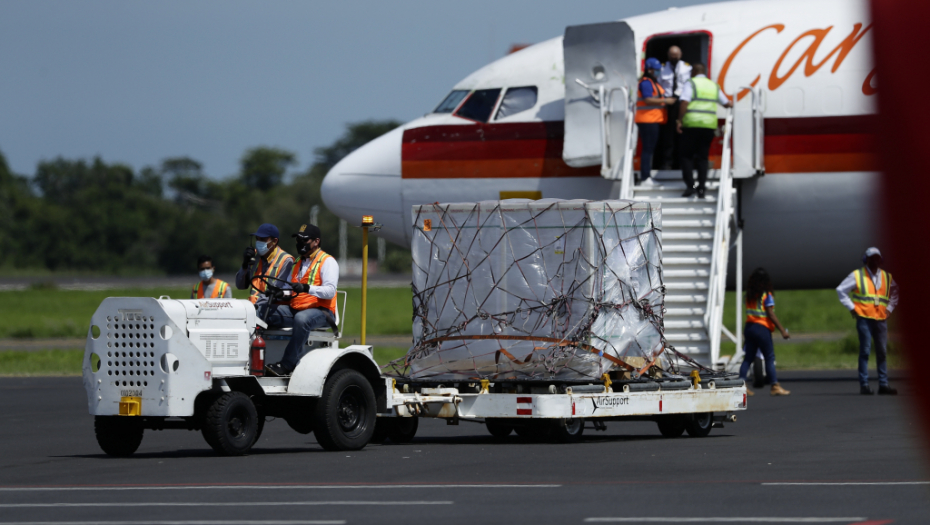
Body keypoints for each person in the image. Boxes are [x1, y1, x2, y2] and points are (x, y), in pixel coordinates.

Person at [264, 224, 340, 377]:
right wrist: (279, 292)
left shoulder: (327, 261)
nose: (300, 243)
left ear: (316, 241)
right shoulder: (297, 262)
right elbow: (291, 289)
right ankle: (252, 360)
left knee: (301, 319)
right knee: (262, 311)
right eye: (298, 240)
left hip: (322, 312)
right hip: (296, 309)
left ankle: (287, 364)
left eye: (304, 240)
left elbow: (330, 291)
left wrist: (306, 288)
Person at [836, 247, 900, 395]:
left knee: (882, 352)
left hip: (881, 319)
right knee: (865, 351)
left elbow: (895, 292)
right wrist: (852, 308)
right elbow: (841, 290)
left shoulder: (887, 277)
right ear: (866, 260)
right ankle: (864, 385)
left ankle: (883, 385)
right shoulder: (857, 275)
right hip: (864, 318)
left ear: (881, 260)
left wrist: (889, 309)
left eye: (877, 258)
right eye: (872, 258)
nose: (875, 261)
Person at [676, 63, 732, 198]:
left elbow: (684, 102)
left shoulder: (691, 83)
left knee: (686, 156)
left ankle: (690, 186)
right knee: (703, 157)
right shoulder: (713, 85)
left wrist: (679, 120)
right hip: (708, 126)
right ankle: (701, 188)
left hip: (692, 124)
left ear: (694, 71)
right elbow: (727, 103)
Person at [739, 268, 791, 396]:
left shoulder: (749, 295)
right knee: (769, 357)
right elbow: (770, 314)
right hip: (762, 329)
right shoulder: (766, 295)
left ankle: (741, 385)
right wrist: (783, 331)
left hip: (749, 328)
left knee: (748, 358)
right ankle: (774, 386)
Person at [235, 223, 295, 311]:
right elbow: (240, 286)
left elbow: (275, 293)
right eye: (257, 239)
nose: (259, 242)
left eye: (263, 239)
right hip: (254, 306)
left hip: (273, 307)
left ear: (274, 241)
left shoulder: (286, 260)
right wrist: (244, 264)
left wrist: (253, 307)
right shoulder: (254, 256)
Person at [635, 57, 672, 186]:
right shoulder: (646, 83)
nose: (658, 72)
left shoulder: (653, 82)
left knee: (649, 148)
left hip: (652, 119)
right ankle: (645, 178)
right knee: (648, 149)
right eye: (656, 70)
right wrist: (666, 101)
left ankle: (646, 176)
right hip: (647, 120)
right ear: (649, 70)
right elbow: (648, 100)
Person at [657, 46, 692, 170]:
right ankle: (667, 162)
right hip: (667, 103)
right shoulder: (662, 68)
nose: (674, 57)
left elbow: (689, 85)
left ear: (681, 54)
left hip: (681, 102)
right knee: (668, 135)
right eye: (672, 55)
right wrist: (664, 100)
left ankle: (681, 162)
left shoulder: (687, 68)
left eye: (676, 55)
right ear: (668, 55)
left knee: (682, 133)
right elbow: (659, 85)